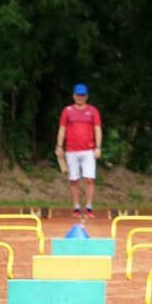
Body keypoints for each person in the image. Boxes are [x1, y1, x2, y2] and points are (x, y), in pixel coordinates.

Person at [55, 83, 102, 219]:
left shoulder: (93, 111)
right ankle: (76, 207)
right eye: (78, 95)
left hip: (88, 150)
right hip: (71, 150)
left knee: (89, 179)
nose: (80, 97)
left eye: (82, 95)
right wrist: (59, 146)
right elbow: (62, 129)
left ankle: (88, 207)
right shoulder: (67, 111)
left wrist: (98, 147)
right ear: (73, 96)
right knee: (73, 179)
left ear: (86, 96)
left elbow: (97, 129)